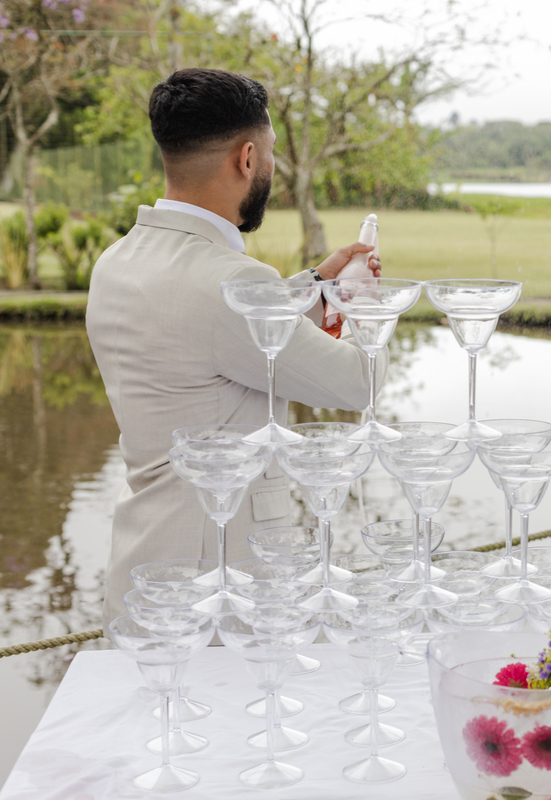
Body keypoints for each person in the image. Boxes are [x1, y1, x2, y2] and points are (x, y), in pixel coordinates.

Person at [87, 68, 387, 628]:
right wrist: (364, 305)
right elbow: (356, 384)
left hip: (145, 569)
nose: (271, 168)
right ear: (247, 158)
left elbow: (200, 337)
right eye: (270, 154)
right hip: (225, 584)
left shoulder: (116, 262)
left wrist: (310, 289)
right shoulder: (233, 283)